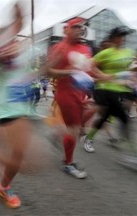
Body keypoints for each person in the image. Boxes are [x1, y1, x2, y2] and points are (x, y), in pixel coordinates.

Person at [0, 1, 36, 208]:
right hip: (3, 102)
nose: (23, 18)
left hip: (21, 101)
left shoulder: (24, 43)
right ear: (14, 15)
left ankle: (3, 185)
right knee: (19, 157)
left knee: (19, 155)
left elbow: (26, 72)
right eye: (20, 14)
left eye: (26, 15)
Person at [45, 17, 112, 179]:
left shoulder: (85, 49)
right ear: (66, 30)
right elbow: (49, 71)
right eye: (75, 27)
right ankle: (68, 163)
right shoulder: (59, 47)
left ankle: (59, 134)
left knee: (80, 128)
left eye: (81, 27)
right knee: (74, 130)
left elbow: (90, 71)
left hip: (82, 94)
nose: (79, 29)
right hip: (66, 94)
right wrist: (70, 72)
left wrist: (105, 78)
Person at [81, 26, 137, 163]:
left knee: (105, 118)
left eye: (123, 37)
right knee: (125, 119)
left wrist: (135, 69)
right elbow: (90, 66)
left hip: (119, 90)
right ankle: (134, 155)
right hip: (104, 90)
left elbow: (133, 67)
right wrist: (102, 75)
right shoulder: (105, 53)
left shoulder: (129, 52)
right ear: (113, 39)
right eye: (118, 37)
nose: (121, 39)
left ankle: (89, 138)